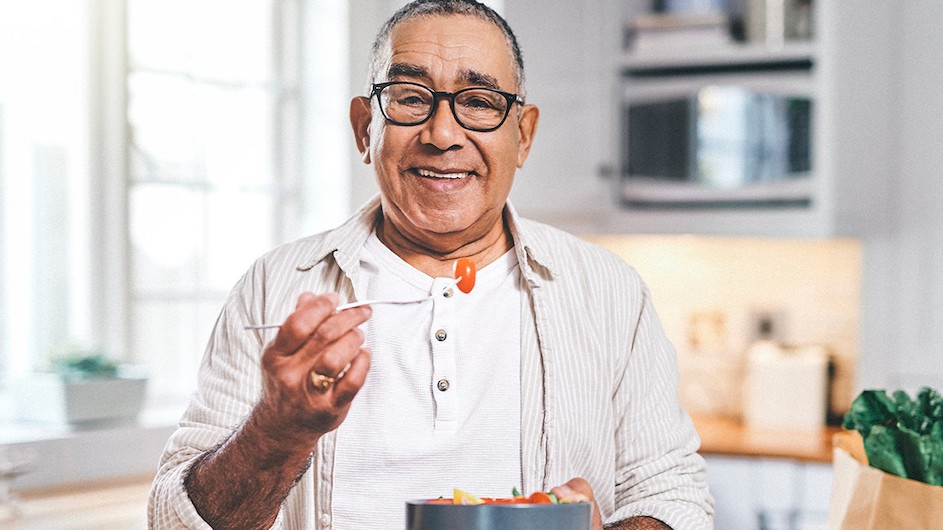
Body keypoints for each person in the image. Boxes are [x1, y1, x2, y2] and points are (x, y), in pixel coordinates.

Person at [148, 1, 714, 528]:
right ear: (364, 128)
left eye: (479, 102)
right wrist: (276, 431)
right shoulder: (274, 287)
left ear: (524, 136)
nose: (443, 134)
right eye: (410, 97)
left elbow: (670, 494)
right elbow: (172, 520)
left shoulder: (608, 291)